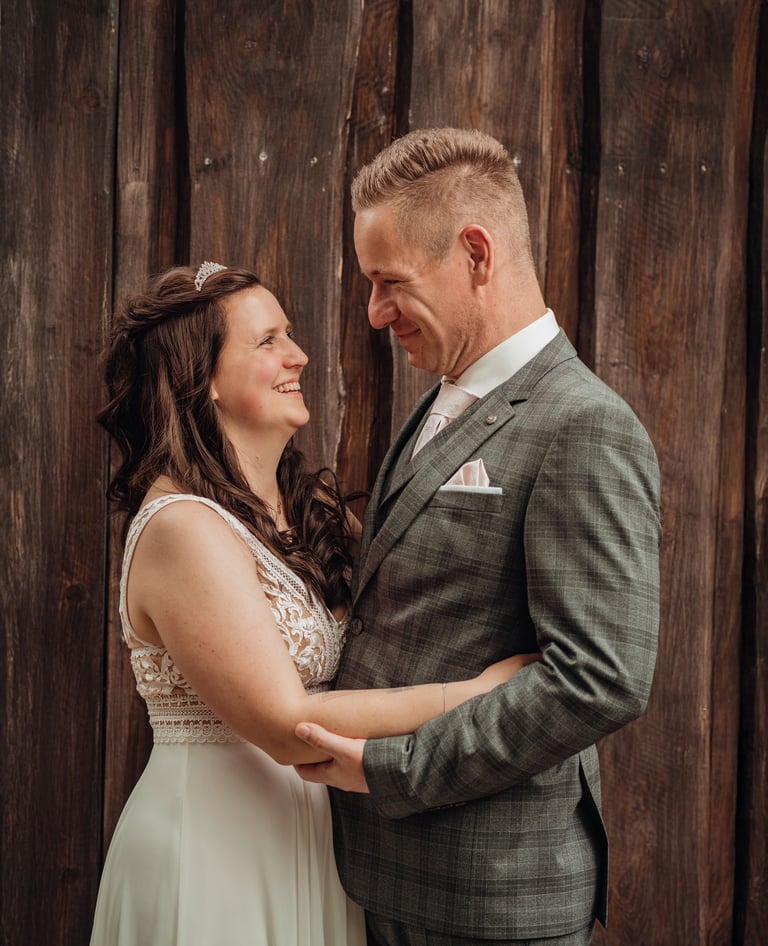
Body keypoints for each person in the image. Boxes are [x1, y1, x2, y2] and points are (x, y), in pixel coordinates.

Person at [89, 262, 537, 946]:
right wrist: (474, 696)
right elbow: (284, 723)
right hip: (214, 847)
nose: (298, 355)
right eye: (267, 341)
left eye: (290, 335)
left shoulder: (309, 510)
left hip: (316, 840)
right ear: (202, 378)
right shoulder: (183, 526)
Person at [294, 127, 662, 946]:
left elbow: (601, 679)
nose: (374, 312)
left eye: (390, 282)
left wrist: (389, 769)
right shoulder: (441, 399)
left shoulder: (584, 425)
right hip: (386, 877)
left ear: (475, 254)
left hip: (490, 899)